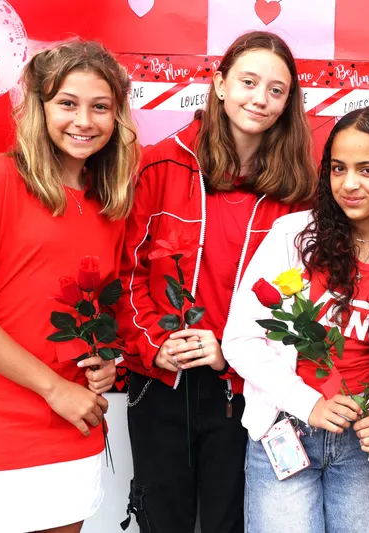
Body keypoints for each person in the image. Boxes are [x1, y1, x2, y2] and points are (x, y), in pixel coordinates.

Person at [116, 31, 316, 533]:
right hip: (161, 381)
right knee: (163, 522)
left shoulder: (298, 191)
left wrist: (231, 347)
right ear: (220, 83)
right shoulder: (159, 163)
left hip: (245, 390)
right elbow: (126, 270)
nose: (260, 99)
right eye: (248, 82)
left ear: (289, 102)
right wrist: (153, 345)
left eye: (276, 89)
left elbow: (303, 301)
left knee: (232, 523)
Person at [0, 40, 138, 533]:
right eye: (67, 103)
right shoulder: (0, 178)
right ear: (39, 107)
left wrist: (103, 360)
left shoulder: (109, 204)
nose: (84, 120)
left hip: (72, 423)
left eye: (100, 107)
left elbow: (87, 309)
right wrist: (53, 389)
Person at [221, 107, 369, 533]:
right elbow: (239, 339)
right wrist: (307, 403)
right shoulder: (294, 237)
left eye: (367, 170)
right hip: (285, 429)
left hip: (367, 443)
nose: (349, 184)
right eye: (338, 168)